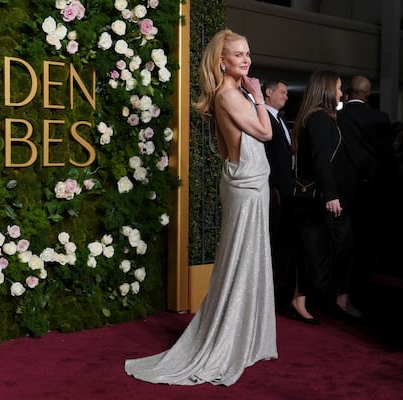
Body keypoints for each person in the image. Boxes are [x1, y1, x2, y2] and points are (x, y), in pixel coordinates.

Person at [124, 29, 277, 386]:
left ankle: (245, 338)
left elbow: (228, 149)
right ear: (221, 61)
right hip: (248, 187)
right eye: (238, 55)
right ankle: (229, 341)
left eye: (248, 53)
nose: (246, 60)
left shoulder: (227, 94)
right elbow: (266, 133)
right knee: (242, 259)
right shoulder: (232, 95)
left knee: (246, 258)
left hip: (245, 183)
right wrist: (258, 96)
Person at [289, 70, 361, 323]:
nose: (341, 93)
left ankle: (315, 299)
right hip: (319, 199)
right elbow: (322, 161)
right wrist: (331, 195)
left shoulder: (317, 116)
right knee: (316, 250)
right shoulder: (319, 118)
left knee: (318, 249)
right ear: (328, 89)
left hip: (317, 199)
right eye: (339, 88)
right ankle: (301, 300)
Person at [337, 76, 393, 303]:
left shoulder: (338, 118)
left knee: (342, 244)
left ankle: (340, 290)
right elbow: (387, 158)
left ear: (349, 92)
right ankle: (361, 291)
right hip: (371, 191)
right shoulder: (380, 119)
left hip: (342, 190)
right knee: (367, 244)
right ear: (368, 95)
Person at [261, 79, 294, 308]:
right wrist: (272, 185)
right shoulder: (264, 117)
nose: (286, 96)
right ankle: (269, 289)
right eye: (282, 92)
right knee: (271, 236)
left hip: (286, 187)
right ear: (268, 92)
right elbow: (266, 155)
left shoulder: (280, 119)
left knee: (282, 236)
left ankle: (279, 285)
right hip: (273, 188)